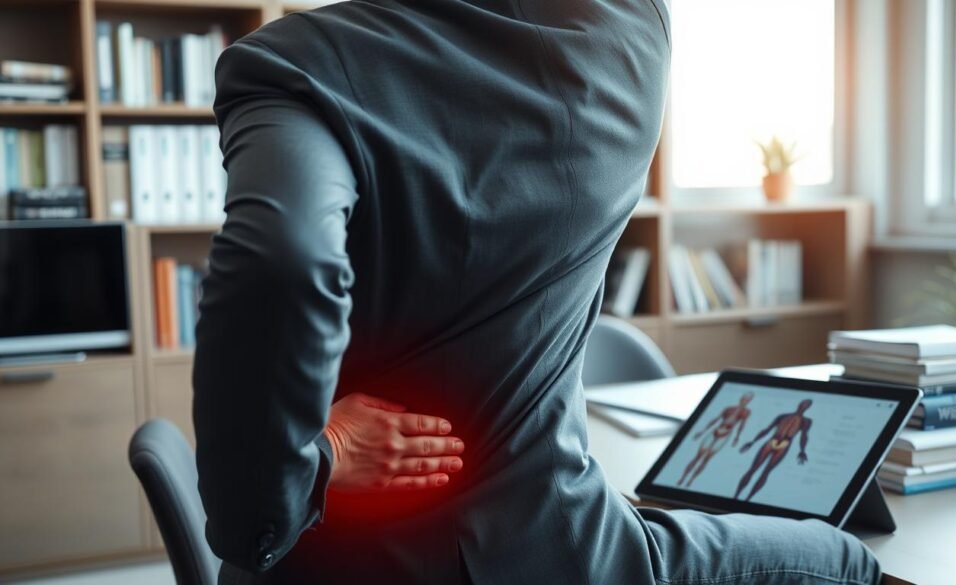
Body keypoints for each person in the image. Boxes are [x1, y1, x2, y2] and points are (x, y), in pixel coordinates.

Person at [192, 1, 881, 584]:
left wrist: (314, 465)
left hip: (325, 560)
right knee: (845, 559)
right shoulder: (626, 38)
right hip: (554, 549)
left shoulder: (291, 64)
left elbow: (282, 259)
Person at [735, 399, 814, 501]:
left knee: (766, 472)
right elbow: (768, 429)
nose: (803, 405)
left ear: (808, 407)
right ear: (799, 404)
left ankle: (748, 499)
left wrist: (802, 450)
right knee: (753, 469)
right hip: (772, 441)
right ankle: (735, 497)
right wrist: (753, 442)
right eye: (803, 403)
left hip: (785, 443)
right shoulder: (783, 416)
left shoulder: (806, 421)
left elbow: (804, 435)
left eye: (806, 404)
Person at [677, 392, 753, 487]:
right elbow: (716, 419)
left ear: (749, 401)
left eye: (747, 400)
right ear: (741, 398)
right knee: (698, 457)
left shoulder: (746, 412)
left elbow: (742, 425)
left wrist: (736, 438)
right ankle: (683, 478)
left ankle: (691, 480)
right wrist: (702, 431)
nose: (744, 401)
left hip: (725, 434)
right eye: (744, 399)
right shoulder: (729, 409)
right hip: (715, 432)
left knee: (706, 459)